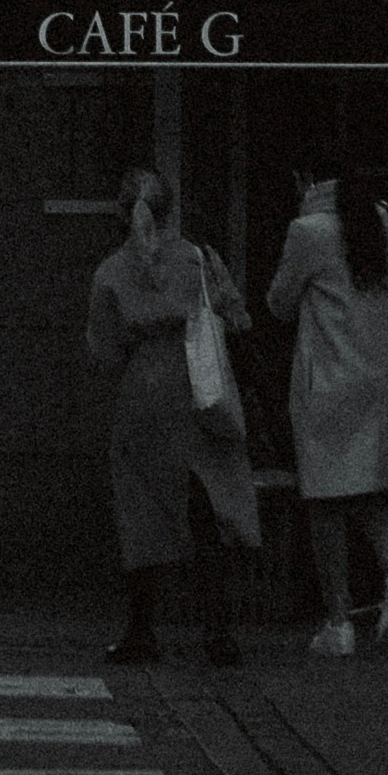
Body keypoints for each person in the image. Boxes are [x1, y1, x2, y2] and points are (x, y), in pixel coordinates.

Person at [89, 164, 255, 665]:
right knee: (206, 508)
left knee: (142, 508)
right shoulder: (199, 261)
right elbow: (238, 317)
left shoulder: (110, 273)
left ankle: (142, 630)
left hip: (143, 396)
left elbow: (103, 352)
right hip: (199, 390)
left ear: (122, 215)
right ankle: (218, 631)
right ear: (171, 211)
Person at [269, 159, 388, 653]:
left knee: (324, 499)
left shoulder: (307, 230)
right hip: (381, 378)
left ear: (305, 180)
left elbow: (279, 302)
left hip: (330, 382)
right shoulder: (379, 218)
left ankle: (338, 620)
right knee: (369, 489)